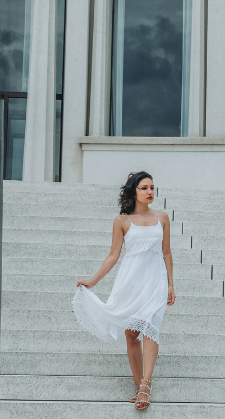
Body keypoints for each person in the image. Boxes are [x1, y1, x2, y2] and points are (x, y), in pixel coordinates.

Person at [72, 171, 176, 410]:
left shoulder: (163, 217)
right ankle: (138, 384)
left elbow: (167, 252)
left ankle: (146, 387)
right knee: (131, 334)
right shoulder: (122, 221)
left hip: (155, 281)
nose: (150, 192)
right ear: (134, 191)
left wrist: (170, 284)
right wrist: (93, 281)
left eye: (152, 187)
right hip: (131, 282)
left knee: (150, 326)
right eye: (144, 188)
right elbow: (113, 256)